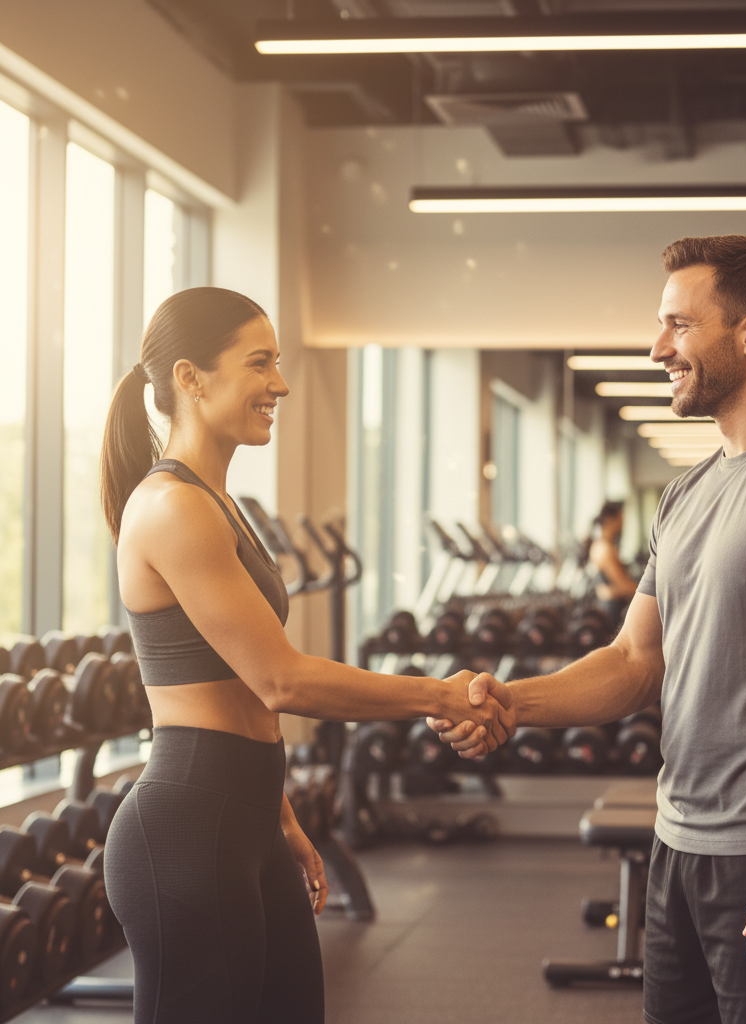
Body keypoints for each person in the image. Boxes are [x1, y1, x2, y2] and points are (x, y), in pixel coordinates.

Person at [432, 236, 746, 1024]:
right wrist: (510, 702)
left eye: (679, 326)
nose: (658, 348)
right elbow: (633, 659)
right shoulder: (686, 495)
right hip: (678, 842)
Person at [100, 287, 513, 1024]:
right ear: (191, 378)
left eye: (277, 363)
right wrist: (438, 695)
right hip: (189, 828)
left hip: (245, 816)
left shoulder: (215, 503)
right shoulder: (172, 506)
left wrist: (279, 814)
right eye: (260, 363)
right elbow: (281, 680)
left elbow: (244, 695)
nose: (281, 385)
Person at [583, 499, 638, 625]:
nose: (623, 523)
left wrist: (612, 590)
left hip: (611, 605)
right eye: (621, 518)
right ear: (611, 520)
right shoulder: (604, 549)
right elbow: (623, 584)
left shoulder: (602, 545)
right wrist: (650, 592)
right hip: (612, 611)